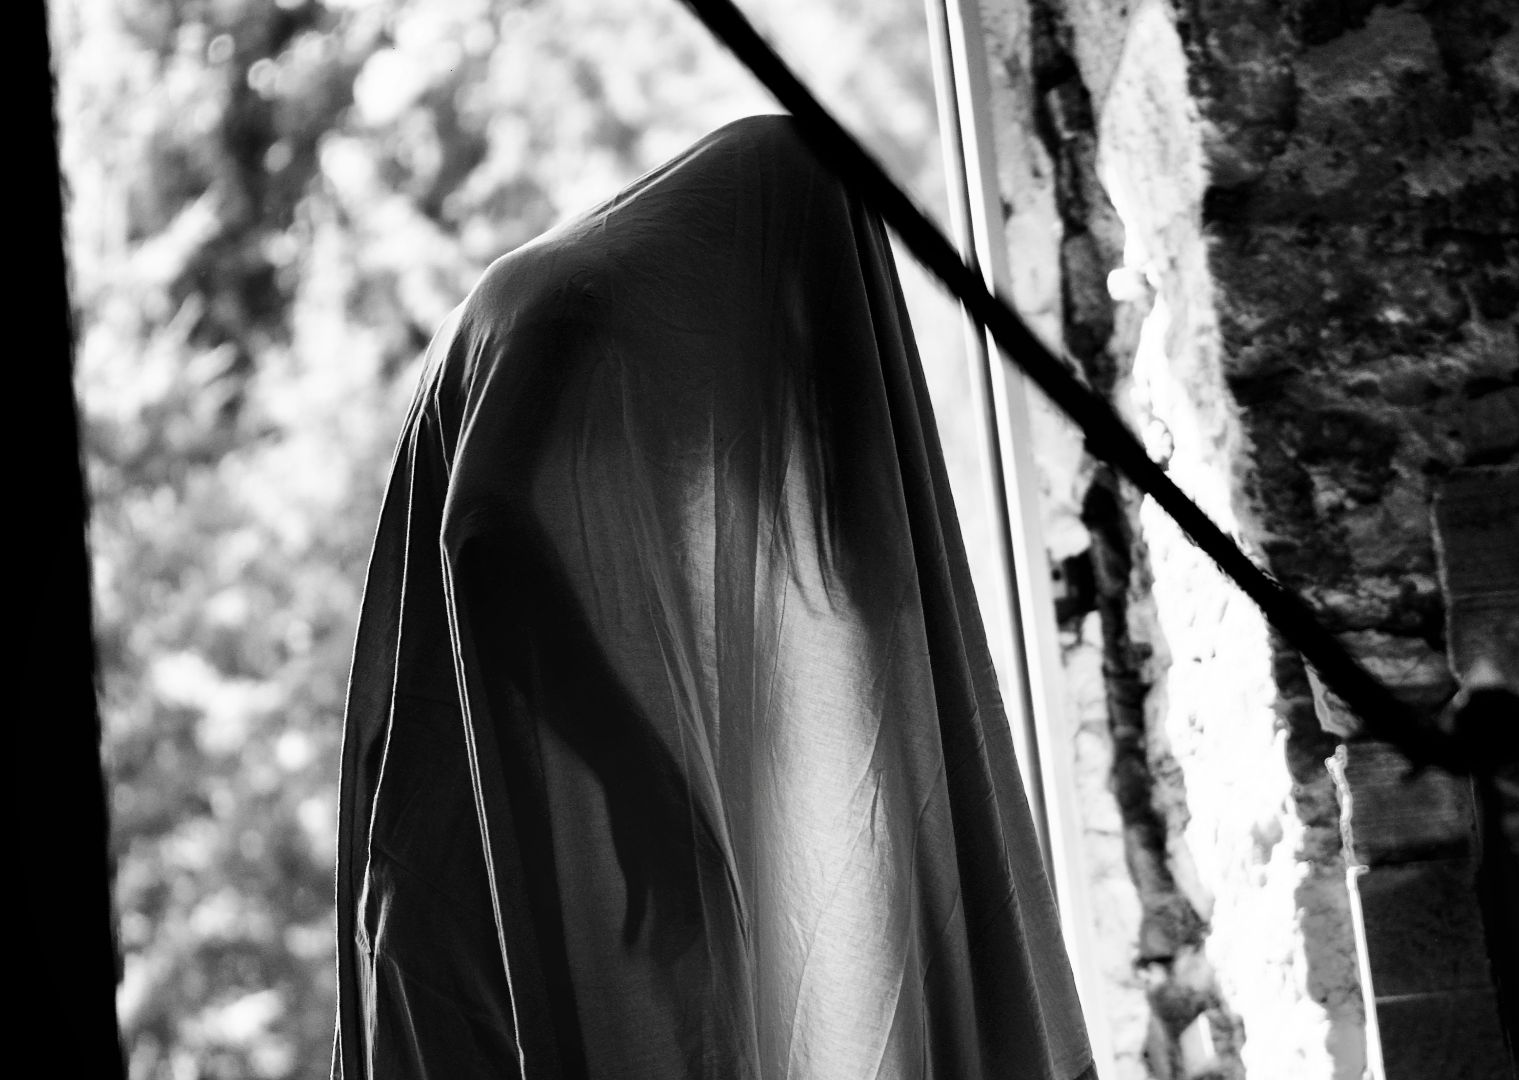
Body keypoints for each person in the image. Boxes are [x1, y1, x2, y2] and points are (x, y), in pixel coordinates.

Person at [333, 115, 1095, 1080]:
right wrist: (640, 777)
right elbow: (479, 531)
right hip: (458, 883)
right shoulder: (572, 302)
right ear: (757, 249)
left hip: (458, 874)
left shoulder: (589, 313)